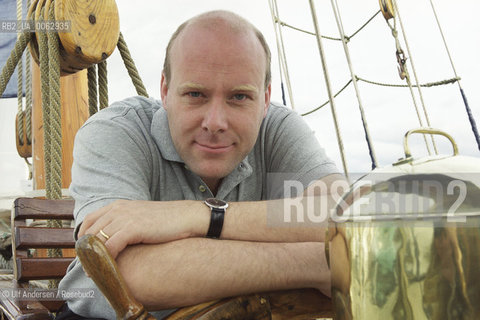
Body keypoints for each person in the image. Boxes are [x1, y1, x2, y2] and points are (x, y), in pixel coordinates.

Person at [57, 10, 343, 320]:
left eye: (239, 97)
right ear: (165, 90)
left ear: (265, 100)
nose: (215, 122)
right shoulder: (115, 132)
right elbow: (127, 274)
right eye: (195, 94)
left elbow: (356, 217)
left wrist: (201, 216)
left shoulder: (277, 129)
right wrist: (320, 261)